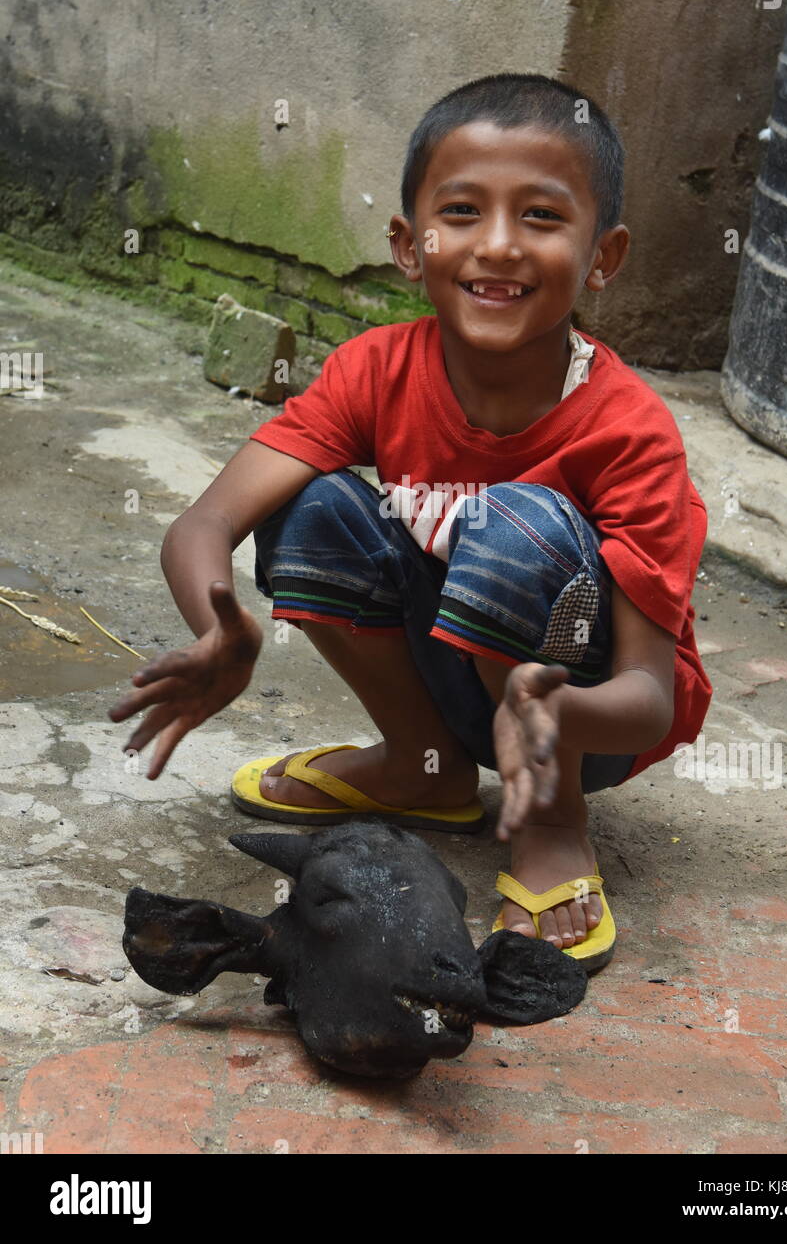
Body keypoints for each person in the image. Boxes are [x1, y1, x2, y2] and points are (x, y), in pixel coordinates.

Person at [109, 73, 712, 969]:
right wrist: (216, 626)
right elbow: (206, 522)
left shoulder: (628, 430)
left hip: (582, 724)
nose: (498, 246)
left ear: (603, 256)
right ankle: (419, 766)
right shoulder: (375, 370)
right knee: (311, 508)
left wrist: (556, 714)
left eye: (541, 218)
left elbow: (650, 699)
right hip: (457, 673)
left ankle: (549, 824)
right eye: (462, 211)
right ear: (406, 243)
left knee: (516, 522)